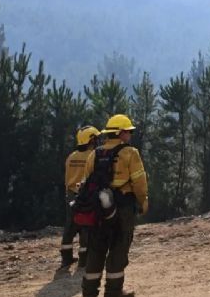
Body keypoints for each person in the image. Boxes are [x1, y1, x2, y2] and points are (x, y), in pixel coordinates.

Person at [81, 114, 148, 297]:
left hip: (98, 210)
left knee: (96, 249)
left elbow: (86, 182)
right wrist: (143, 201)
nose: (130, 135)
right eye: (128, 131)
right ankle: (113, 292)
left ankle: (89, 292)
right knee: (119, 249)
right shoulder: (130, 153)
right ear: (120, 133)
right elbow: (139, 183)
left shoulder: (94, 154)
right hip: (123, 208)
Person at [59, 125, 100, 269]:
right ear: (91, 140)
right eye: (95, 138)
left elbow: (66, 178)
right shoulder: (93, 155)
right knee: (86, 226)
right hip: (85, 194)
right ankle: (84, 258)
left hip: (70, 193)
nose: (97, 141)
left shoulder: (71, 156)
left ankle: (66, 257)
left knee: (70, 225)